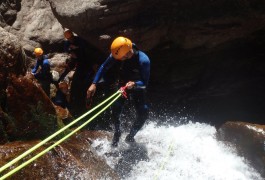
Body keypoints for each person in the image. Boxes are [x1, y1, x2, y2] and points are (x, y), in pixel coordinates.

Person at [86, 36, 150, 147]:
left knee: (143, 112)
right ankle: (117, 132)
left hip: (137, 86)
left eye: (121, 58)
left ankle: (130, 136)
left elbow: (144, 83)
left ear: (127, 53)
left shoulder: (143, 60)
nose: (118, 60)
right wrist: (94, 83)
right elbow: (104, 66)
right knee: (115, 109)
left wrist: (134, 84)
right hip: (123, 85)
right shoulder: (119, 51)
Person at [58, 29, 97, 117]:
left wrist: (77, 48)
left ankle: (88, 100)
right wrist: (70, 51)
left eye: (71, 38)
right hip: (79, 64)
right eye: (69, 39)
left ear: (72, 36)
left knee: (87, 81)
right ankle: (77, 103)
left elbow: (86, 48)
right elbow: (66, 49)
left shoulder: (79, 40)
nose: (70, 40)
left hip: (87, 62)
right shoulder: (67, 43)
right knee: (77, 83)